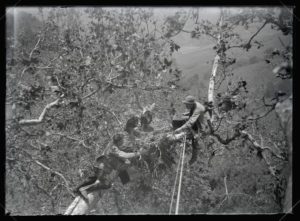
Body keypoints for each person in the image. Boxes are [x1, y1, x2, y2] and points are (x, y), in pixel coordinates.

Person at [75, 133, 143, 200]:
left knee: (96, 180)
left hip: (101, 166)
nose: (123, 142)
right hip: (101, 167)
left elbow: (120, 156)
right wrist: (135, 154)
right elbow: (123, 155)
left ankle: (81, 190)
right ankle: (84, 190)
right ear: (119, 141)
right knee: (106, 184)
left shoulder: (113, 145)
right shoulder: (113, 147)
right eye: (122, 141)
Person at [173, 95, 208, 165]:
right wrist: (186, 114)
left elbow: (190, 122)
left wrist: (180, 129)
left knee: (195, 141)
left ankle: (191, 162)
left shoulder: (198, 108)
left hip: (200, 127)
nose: (185, 106)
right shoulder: (194, 105)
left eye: (186, 104)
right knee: (178, 119)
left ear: (191, 104)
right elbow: (193, 113)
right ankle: (179, 135)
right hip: (196, 122)